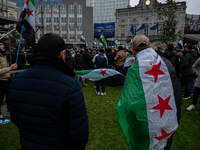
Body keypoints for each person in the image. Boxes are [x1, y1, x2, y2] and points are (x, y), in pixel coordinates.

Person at [8, 33, 89, 149]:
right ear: (62, 54)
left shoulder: (16, 81)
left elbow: (15, 117)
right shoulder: (70, 86)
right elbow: (80, 132)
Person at [116, 35, 181, 150]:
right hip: (168, 118)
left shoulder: (133, 70)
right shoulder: (167, 65)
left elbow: (129, 103)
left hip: (144, 122)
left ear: (133, 51)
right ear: (150, 47)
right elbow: (176, 94)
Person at [0, 40, 18, 124]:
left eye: (3, 44)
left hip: (7, 79)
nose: (3, 46)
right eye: (0, 44)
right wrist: (10, 68)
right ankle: (0, 117)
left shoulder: (3, 55)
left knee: (9, 95)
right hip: (1, 80)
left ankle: (8, 110)